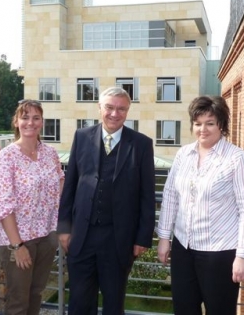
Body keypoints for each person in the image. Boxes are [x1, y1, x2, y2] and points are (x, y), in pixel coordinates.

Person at [57, 86, 156, 315]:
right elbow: (70, 184)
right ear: (99, 108)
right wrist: (64, 228)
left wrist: (142, 237)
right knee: (80, 303)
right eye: (109, 107)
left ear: (128, 111)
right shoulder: (82, 137)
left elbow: (147, 195)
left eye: (121, 109)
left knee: (113, 304)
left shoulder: (141, 144)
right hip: (82, 236)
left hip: (118, 239)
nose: (114, 113)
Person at [156, 95, 244, 315]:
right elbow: (171, 196)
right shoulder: (183, 154)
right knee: (184, 309)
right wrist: (164, 238)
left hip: (219, 253)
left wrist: (243, 255)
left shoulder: (237, 159)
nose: (203, 129)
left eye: (210, 123)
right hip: (183, 248)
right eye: (198, 123)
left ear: (221, 124)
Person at [0, 100, 65, 315]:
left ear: (42, 122)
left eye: (36, 118)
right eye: (25, 117)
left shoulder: (49, 153)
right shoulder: (7, 156)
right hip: (18, 240)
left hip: (46, 237)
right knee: (18, 301)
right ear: (16, 121)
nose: (30, 122)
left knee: (36, 294)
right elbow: (2, 204)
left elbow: (61, 180)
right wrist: (17, 246)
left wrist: (53, 215)